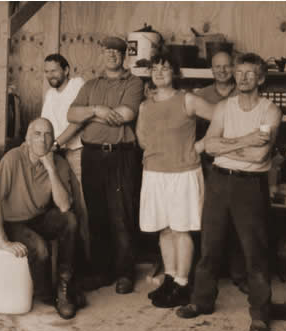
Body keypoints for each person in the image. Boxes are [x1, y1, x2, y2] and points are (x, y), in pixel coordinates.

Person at [177, 53, 282, 331]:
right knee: (210, 247)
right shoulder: (224, 107)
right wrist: (246, 141)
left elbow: (260, 154)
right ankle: (201, 301)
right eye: (240, 72)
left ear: (260, 78)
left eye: (250, 73)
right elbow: (209, 146)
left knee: (255, 253)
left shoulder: (271, 110)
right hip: (219, 182)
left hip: (250, 185)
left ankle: (260, 316)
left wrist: (227, 146)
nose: (243, 77)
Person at [136, 54, 213, 309]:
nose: (159, 73)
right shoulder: (146, 105)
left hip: (183, 173)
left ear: (175, 74)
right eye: (154, 68)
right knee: (165, 229)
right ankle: (169, 278)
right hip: (155, 173)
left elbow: (222, 117)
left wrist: (201, 145)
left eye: (165, 68)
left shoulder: (187, 99)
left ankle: (182, 283)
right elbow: (142, 138)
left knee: (181, 229)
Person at [67, 36, 144, 294]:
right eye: (107, 50)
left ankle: (125, 272)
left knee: (121, 215)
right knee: (97, 214)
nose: (111, 54)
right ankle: (102, 271)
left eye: (117, 51)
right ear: (103, 54)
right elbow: (71, 114)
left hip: (120, 155)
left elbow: (126, 114)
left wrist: (89, 114)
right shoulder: (91, 84)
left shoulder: (134, 82)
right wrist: (98, 110)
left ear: (124, 56)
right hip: (92, 156)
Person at [0, 118, 79, 319]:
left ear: (53, 140)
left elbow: (64, 206)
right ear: (28, 139)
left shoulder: (58, 163)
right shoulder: (13, 158)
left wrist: (51, 169)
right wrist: (3, 241)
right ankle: (47, 295)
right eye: (37, 134)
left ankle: (64, 289)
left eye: (48, 135)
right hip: (13, 221)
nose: (42, 140)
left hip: (38, 217)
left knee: (70, 220)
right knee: (40, 249)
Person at [195, 51, 248, 295]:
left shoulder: (245, 91)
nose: (222, 71)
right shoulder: (201, 95)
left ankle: (239, 274)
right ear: (211, 69)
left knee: (239, 220)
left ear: (234, 69)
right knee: (210, 222)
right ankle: (210, 277)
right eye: (218, 67)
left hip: (239, 164)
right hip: (209, 164)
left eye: (227, 66)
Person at [40, 53, 90, 263]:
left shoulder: (77, 85)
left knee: (83, 207)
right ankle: (72, 260)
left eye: (54, 70)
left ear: (66, 70)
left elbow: (78, 123)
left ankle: (89, 260)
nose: (50, 75)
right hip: (58, 153)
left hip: (77, 151)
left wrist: (56, 143)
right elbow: (44, 124)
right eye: (47, 71)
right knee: (63, 206)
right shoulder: (50, 95)